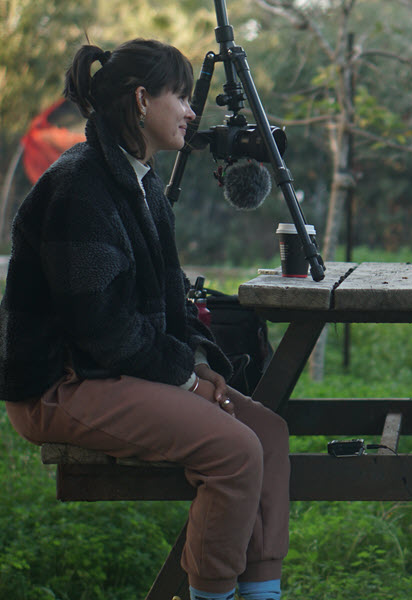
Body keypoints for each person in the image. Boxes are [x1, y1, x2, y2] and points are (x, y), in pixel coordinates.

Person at [0, 40, 289, 600]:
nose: (191, 110)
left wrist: (197, 364)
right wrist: (183, 379)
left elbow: (166, 301)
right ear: (140, 99)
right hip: (60, 385)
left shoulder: (140, 179)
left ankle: (260, 593)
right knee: (234, 452)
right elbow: (100, 327)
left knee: (268, 434)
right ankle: (213, 593)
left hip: (109, 370)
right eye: (180, 96)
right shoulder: (80, 185)